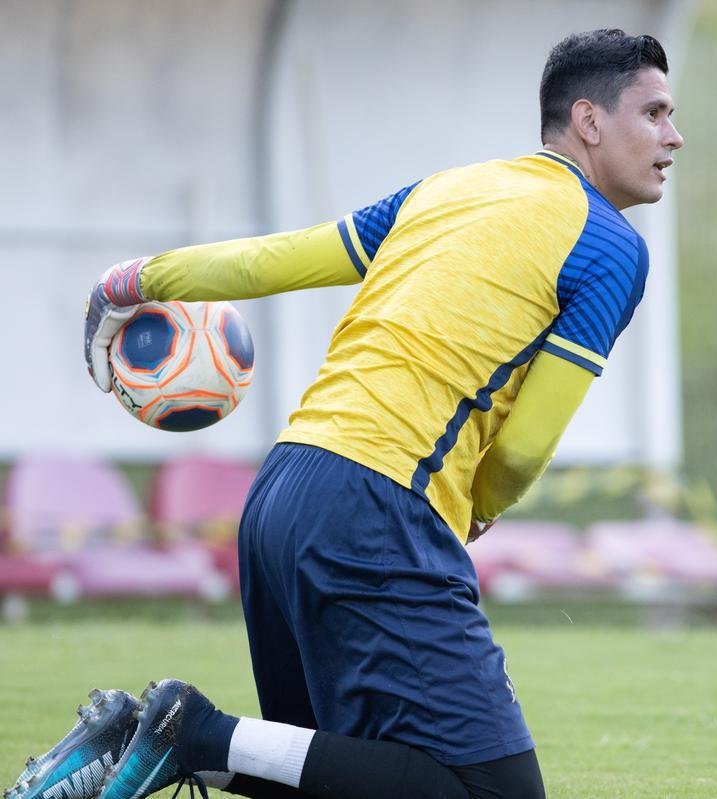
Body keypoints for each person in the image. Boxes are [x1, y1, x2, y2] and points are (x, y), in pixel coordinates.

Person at [6, 27, 682, 799]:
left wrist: (138, 277)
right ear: (590, 121)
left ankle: (135, 732)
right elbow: (524, 450)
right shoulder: (611, 247)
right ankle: (187, 730)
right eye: (656, 113)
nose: (675, 136)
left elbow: (279, 257)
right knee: (493, 790)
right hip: (375, 505)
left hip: (284, 491)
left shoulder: (450, 188)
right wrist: (480, 502)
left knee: (325, 770)